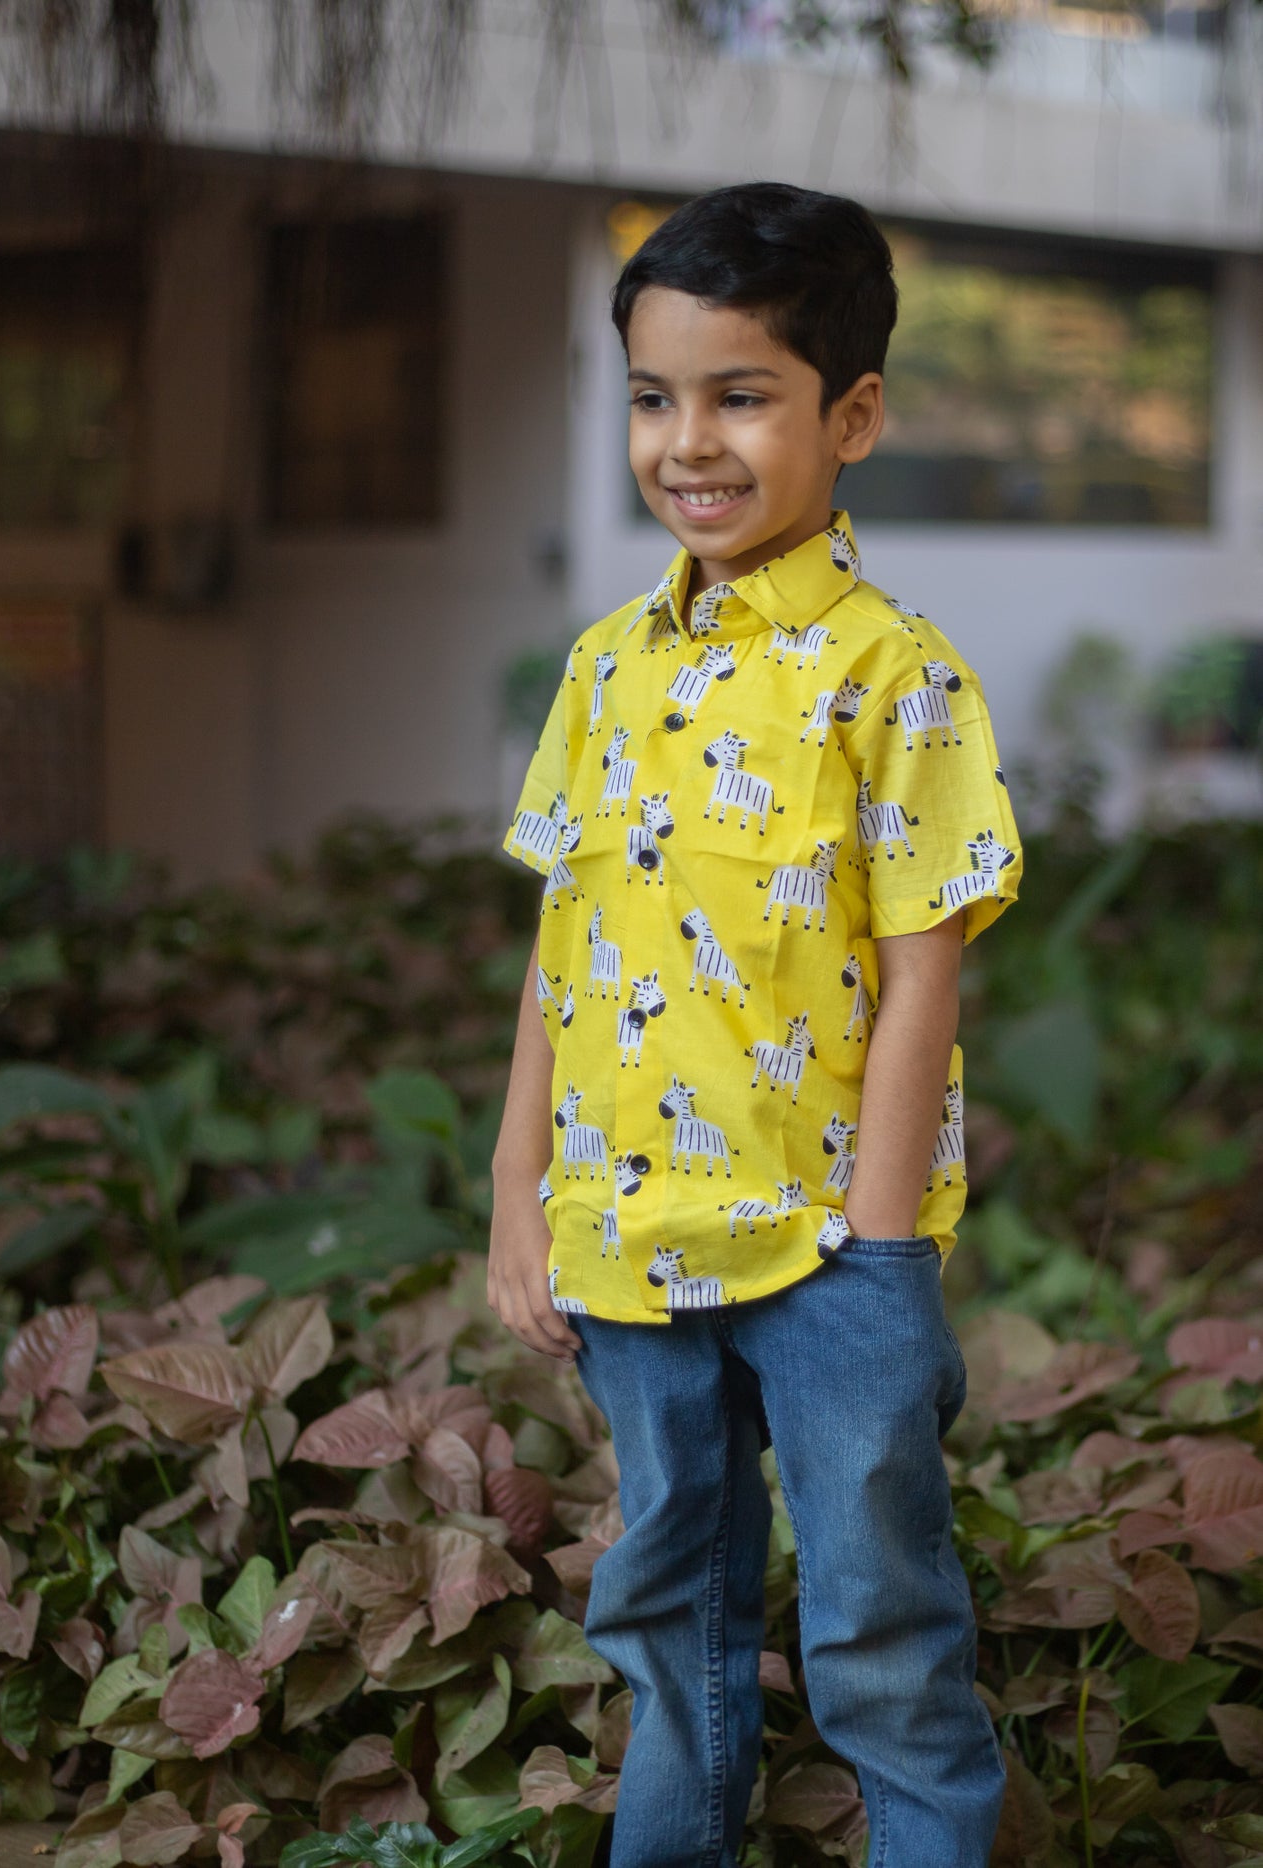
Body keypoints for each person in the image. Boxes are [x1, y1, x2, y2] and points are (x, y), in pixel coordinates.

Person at [488, 182, 1023, 1868]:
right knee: (669, 1624)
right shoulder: (603, 668)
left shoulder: (896, 676)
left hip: (824, 1259)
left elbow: (922, 968)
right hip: (628, 1228)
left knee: (878, 1628)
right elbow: (564, 944)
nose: (686, 441)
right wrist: (519, 1190)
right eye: (653, 397)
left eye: (739, 394)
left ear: (849, 416)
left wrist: (874, 1252)